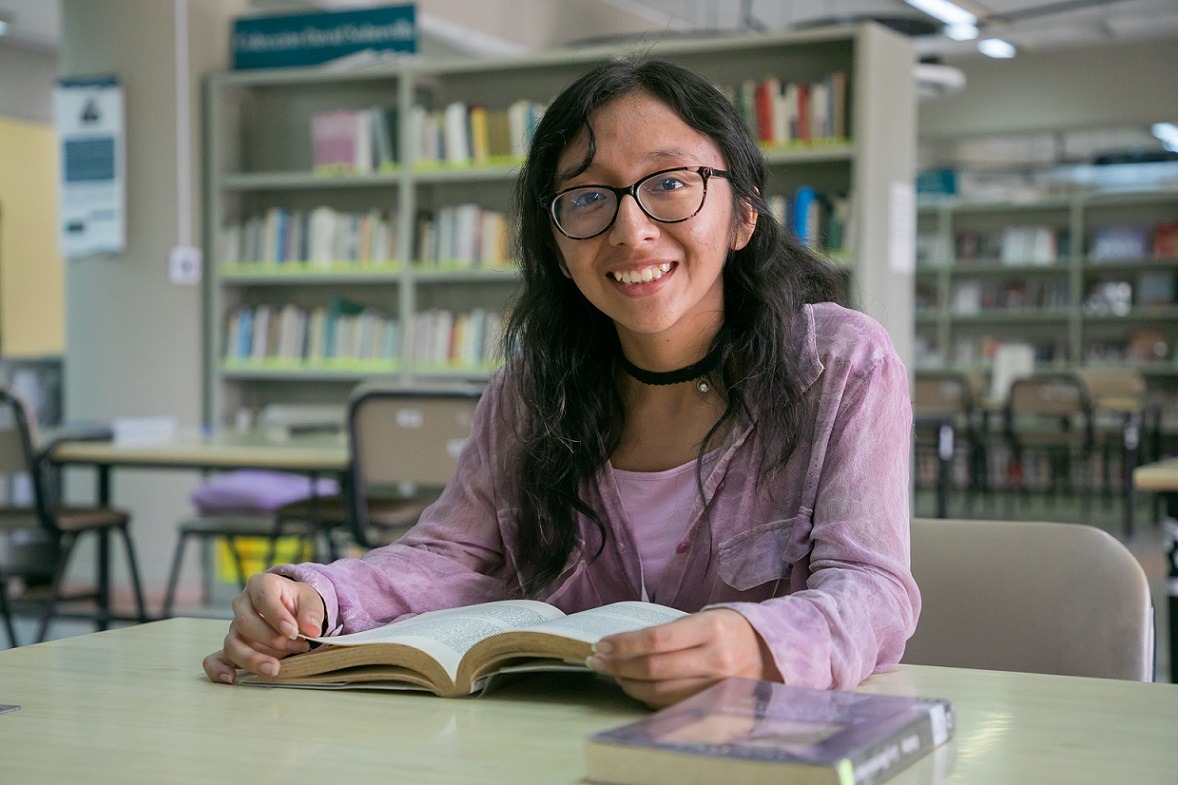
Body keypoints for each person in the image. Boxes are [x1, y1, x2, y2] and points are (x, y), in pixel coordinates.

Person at [203, 57, 919, 709]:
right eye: (586, 198)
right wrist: (315, 599)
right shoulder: (531, 388)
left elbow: (873, 588)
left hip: (760, 745)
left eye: (670, 184)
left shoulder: (842, 365)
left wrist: (752, 642)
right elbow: (455, 555)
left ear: (744, 214)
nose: (630, 230)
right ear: (556, 242)